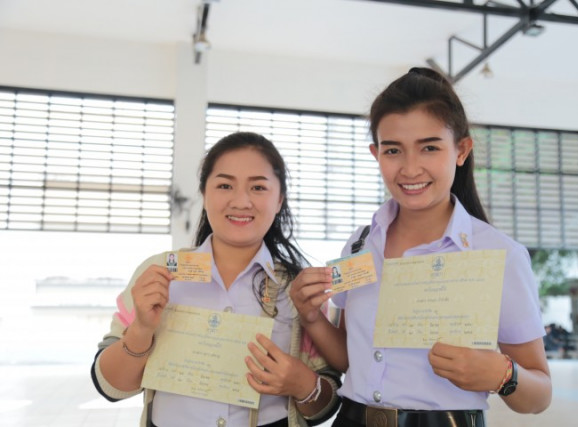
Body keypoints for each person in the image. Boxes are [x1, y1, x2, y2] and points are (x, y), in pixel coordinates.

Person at [290, 68, 552, 426]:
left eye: (429, 147)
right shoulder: (361, 243)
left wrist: (502, 374)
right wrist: (310, 316)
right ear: (375, 154)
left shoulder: (498, 255)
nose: (410, 168)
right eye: (393, 150)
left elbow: (540, 395)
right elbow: (349, 359)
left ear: (461, 150)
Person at [91, 132, 341, 427]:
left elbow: (327, 404)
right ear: (204, 193)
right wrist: (142, 329)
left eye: (258, 187)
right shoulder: (159, 273)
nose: (241, 201)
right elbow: (112, 387)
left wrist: (303, 384)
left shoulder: (299, 288)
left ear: (279, 200)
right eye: (224, 185)